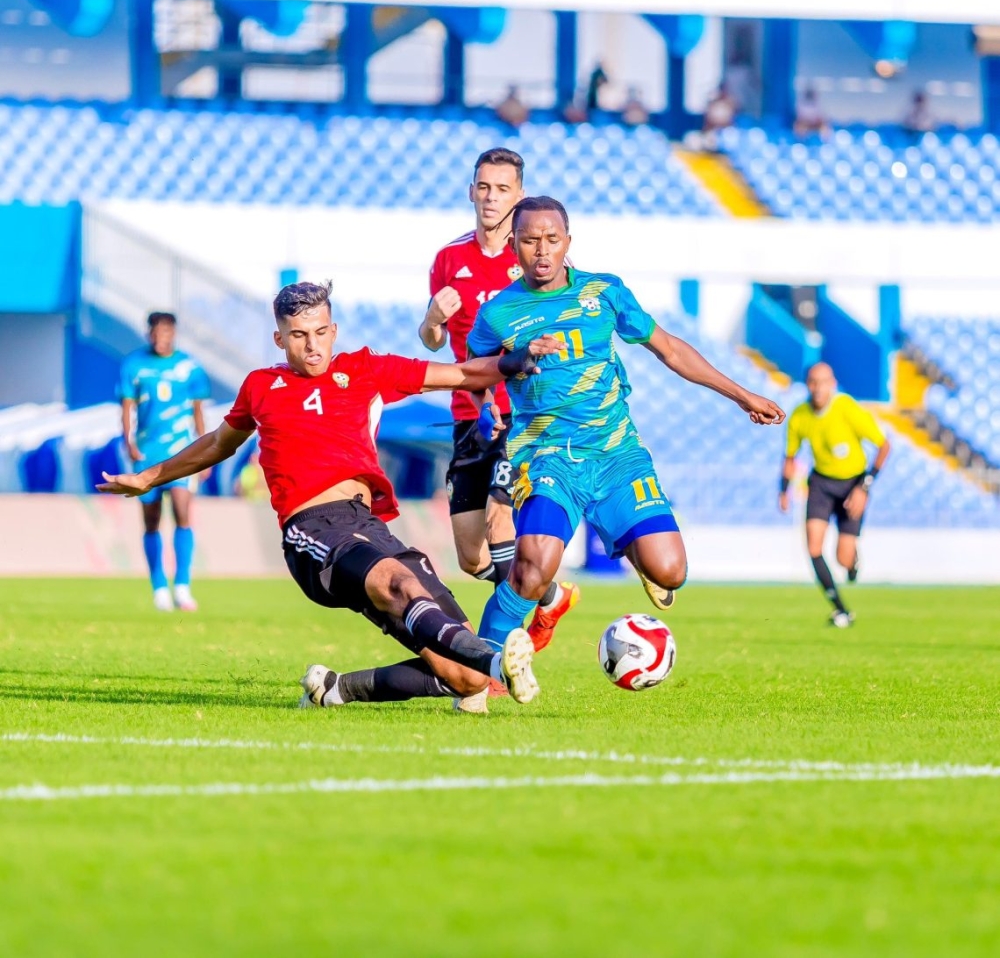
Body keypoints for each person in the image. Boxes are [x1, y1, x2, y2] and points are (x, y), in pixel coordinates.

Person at [100, 281, 559, 709]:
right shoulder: (262, 386)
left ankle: (336, 689)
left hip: (369, 526)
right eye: (298, 335)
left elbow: (459, 373)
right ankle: (497, 662)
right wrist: (147, 478)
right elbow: (219, 443)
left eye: (321, 332)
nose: (313, 345)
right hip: (312, 530)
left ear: (334, 329)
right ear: (280, 339)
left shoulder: (364, 369)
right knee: (397, 583)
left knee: (463, 679)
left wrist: (511, 362)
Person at [466, 196, 785, 652]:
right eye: (531, 240)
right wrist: (484, 405)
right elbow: (475, 370)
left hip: (617, 453)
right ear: (513, 245)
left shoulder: (605, 292)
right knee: (534, 569)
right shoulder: (498, 313)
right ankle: (481, 673)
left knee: (671, 570)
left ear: (567, 242)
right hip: (546, 456)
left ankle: (636, 552)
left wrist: (742, 396)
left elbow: (670, 349)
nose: (542, 250)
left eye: (552, 240)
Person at [419, 149, 579, 675]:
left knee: (499, 518)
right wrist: (433, 319)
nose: (491, 198)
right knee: (470, 555)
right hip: (470, 412)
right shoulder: (448, 259)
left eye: (502, 189)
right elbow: (434, 340)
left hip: (524, 415)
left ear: (519, 196)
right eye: (483, 187)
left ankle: (506, 649)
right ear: (471, 191)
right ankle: (550, 594)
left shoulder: (536, 257)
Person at [779, 363, 891, 628]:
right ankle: (841, 609)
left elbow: (884, 445)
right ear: (807, 384)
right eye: (813, 382)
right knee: (814, 547)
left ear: (833, 383)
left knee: (843, 557)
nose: (818, 388)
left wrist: (864, 487)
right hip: (821, 483)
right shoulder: (800, 415)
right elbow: (790, 457)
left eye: (823, 382)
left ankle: (852, 562)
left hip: (853, 484)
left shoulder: (847, 408)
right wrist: (783, 490)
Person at [118, 311, 210, 612]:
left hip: (181, 453)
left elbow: (198, 411)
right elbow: (127, 407)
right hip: (147, 454)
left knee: (183, 511)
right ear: (149, 333)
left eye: (166, 331)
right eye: (156, 332)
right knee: (151, 520)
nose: (161, 337)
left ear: (174, 333)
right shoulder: (133, 365)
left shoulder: (189, 367)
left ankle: (182, 587)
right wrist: (129, 442)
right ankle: (159, 587)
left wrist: (205, 453)